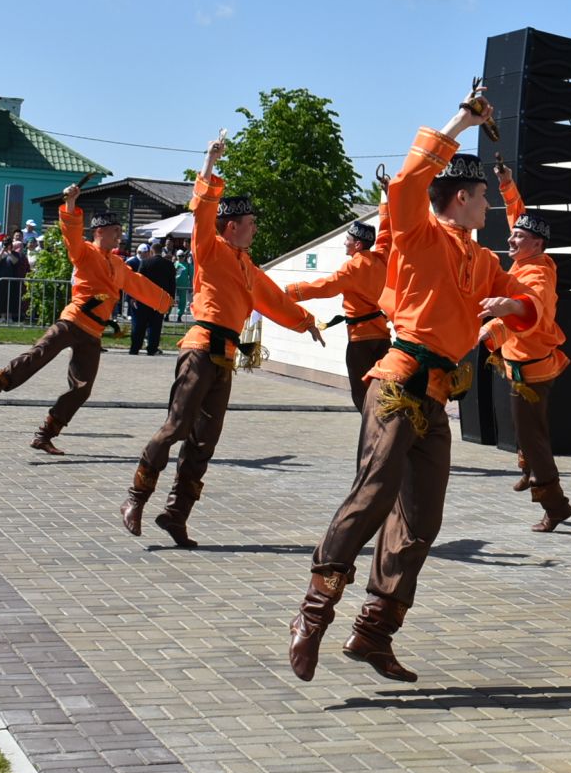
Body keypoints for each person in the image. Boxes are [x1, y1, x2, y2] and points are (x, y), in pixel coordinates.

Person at [287, 91, 533, 683]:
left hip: (436, 397)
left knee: (421, 520)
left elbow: (530, 308)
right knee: (373, 494)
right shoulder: (419, 236)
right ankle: (313, 615)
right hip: (397, 381)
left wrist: (513, 304)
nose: (487, 210)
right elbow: (404, 186)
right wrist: (460, 123)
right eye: (480, 199)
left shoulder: (480, 260)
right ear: (458, 199)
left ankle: (374, 632)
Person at [125, 139, 322, 548]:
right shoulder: (210, 249)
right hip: (199, 349)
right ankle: (136, 497)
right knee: (177, 427)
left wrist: (306, 322)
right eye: (251, 222)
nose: (255, 227)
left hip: (226, 358)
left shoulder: (248, 268)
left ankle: (175, 515)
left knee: (204, 442)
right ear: (232, 225)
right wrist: (210, 162)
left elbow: (275, 300)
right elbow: (203, 212)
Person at [0, 187, 174, 454]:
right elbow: (71, 233)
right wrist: (70, 202)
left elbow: (140, 286)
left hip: (93, 332)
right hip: (73, 319)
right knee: (40, 353)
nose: (120, 235)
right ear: (100, 232)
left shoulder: (118, 265)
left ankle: (45, 434)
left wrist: (166, 303)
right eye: (116, 230)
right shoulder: (84, 252)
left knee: (82, 388)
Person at [485, 163, 571, 532]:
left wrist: (504, 313)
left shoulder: (537, 273)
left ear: (537, 244)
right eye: (514, 236)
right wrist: (507, 185)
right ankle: (529, 468)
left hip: (532, 372)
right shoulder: (526, 261)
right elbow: (516, 217)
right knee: (526, 429)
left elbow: (531, 306)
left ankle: (555, 504)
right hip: (520, 364)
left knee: (534, 436)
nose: (511, 240)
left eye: (518, 238)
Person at [284, 220, 388, 410]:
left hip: (360, 340)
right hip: (382, 337)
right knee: (386, 392)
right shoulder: (381, 259)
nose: (344, 242)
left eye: (347, 239)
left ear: (357, 244)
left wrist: (289, 292)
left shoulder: (352, 267)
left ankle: (374, 435)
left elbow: (325, 287)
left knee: (363, 396)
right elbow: (386, 235)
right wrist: (386, 202)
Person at [130, 241, 179, 356]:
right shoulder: (169, 265)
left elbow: (139, 281)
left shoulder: (145, 263)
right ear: (161, 251)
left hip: (145, 298)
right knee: (155, 325)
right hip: (160, 300)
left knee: (140, 325)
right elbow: (172, 284)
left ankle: (135, 348)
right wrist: (171, 299)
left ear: (151, 251)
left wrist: (134, 297)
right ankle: (152, 348)